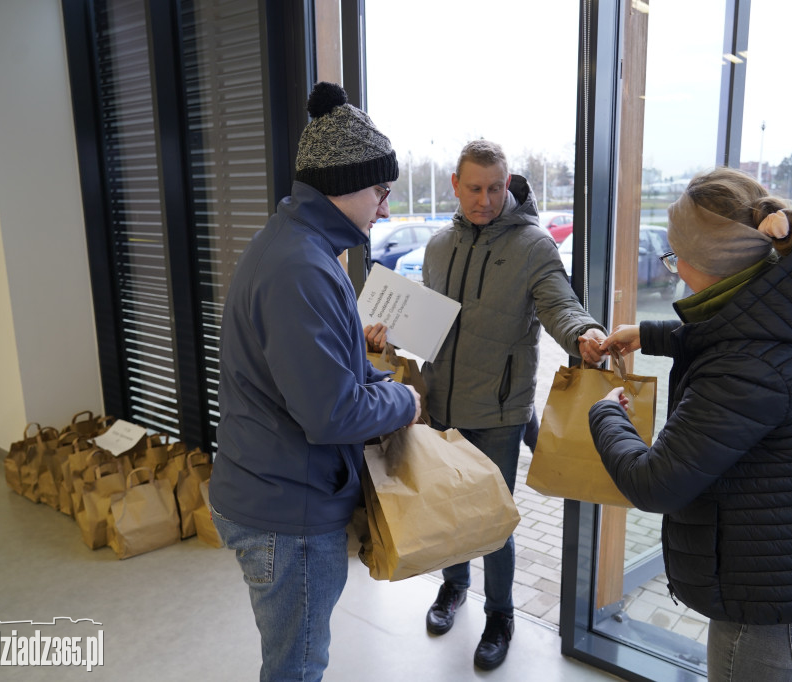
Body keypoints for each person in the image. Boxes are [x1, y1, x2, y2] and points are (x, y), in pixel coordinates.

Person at [588, 167, 792, 682]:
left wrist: (606, 413)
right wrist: (653, 334)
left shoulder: (748, 365)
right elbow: (735, 330)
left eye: (678, 257)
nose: (676, 268)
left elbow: (656, 483)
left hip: (778, 597)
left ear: (714, 264)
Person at [210, 81, 421, 682]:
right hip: (287, 510)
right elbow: (330, 413)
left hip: (274, 485)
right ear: (346, 184)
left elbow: (316, 374)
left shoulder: (298, 248)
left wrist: (369, 372)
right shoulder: (302, 267)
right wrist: (403, 399)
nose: (385, 207)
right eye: (382, 190)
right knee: (297, 666)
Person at [413, 139, 606, 670]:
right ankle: (454, 588)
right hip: (441, 408)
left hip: (499, 411)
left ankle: (501, 614)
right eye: (474, 188)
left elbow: (559, 304)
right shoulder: (437, 247)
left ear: (508, 183)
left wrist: (584, 332)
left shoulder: (533, 247)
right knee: (452, 511)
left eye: (495, 187)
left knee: (494, 523)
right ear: (455, 184)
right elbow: (427, 323)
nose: (485, 199)